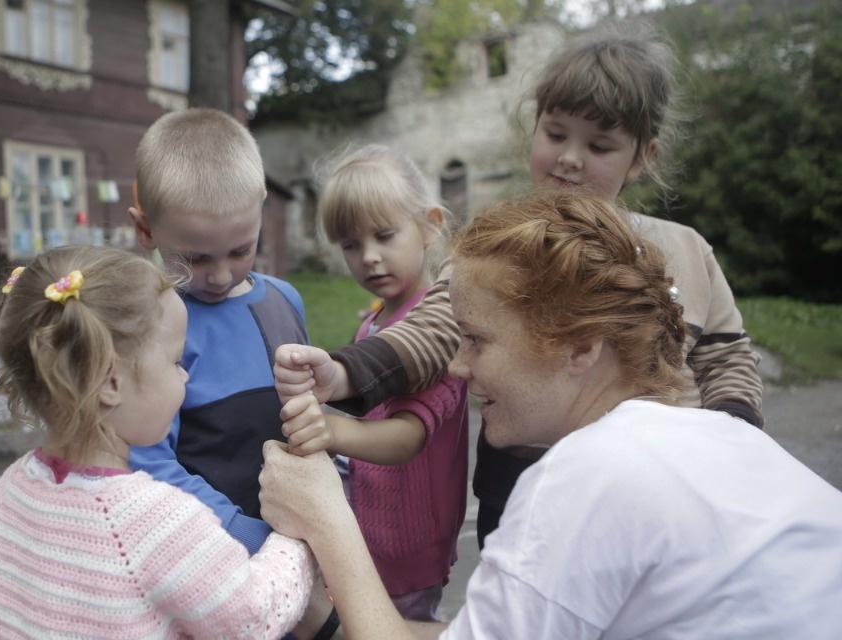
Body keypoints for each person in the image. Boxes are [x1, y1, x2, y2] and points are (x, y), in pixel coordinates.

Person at [260, 191, 842, 639]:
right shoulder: (725, 439)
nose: (458, 368)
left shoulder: (588, 474)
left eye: (477, 340)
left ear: (581, 347)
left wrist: (324, 517)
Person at [273, 21, 764, 547]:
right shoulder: (500, 248)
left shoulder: (687, 250)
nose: (570, 158)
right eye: (555, 134)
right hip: (526, 495)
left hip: (658, 495)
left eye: (599, 145)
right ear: (535, 128)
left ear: (642, 156)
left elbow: (725, 357)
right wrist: (346, 372)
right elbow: (436, 327)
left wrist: (731, 437)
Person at [0, 245, 324, 639]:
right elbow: (255, 615)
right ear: (111, 383)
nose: (186, 378)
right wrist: (298, 536)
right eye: (175, 362)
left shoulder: (10, 492)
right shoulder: (156, 522)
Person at [282, 144, 468, 621]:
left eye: (385, 236)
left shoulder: (439, 328)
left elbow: (408, 435)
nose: (369, 258)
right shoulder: (374, 322)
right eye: (350, 244)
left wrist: (332, 431)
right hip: (371, 532)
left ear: (430, 224)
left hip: (407, 547)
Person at [127, 107, 309, 555]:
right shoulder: (149, 327)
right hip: (207, 557)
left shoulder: (284, 299)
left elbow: (306, 421)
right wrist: (243, 535)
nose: (221, 275)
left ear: (261, 207)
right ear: (145, 229)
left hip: (296, 545)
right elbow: (145, 460)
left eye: (241, 250)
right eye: (196, 259)